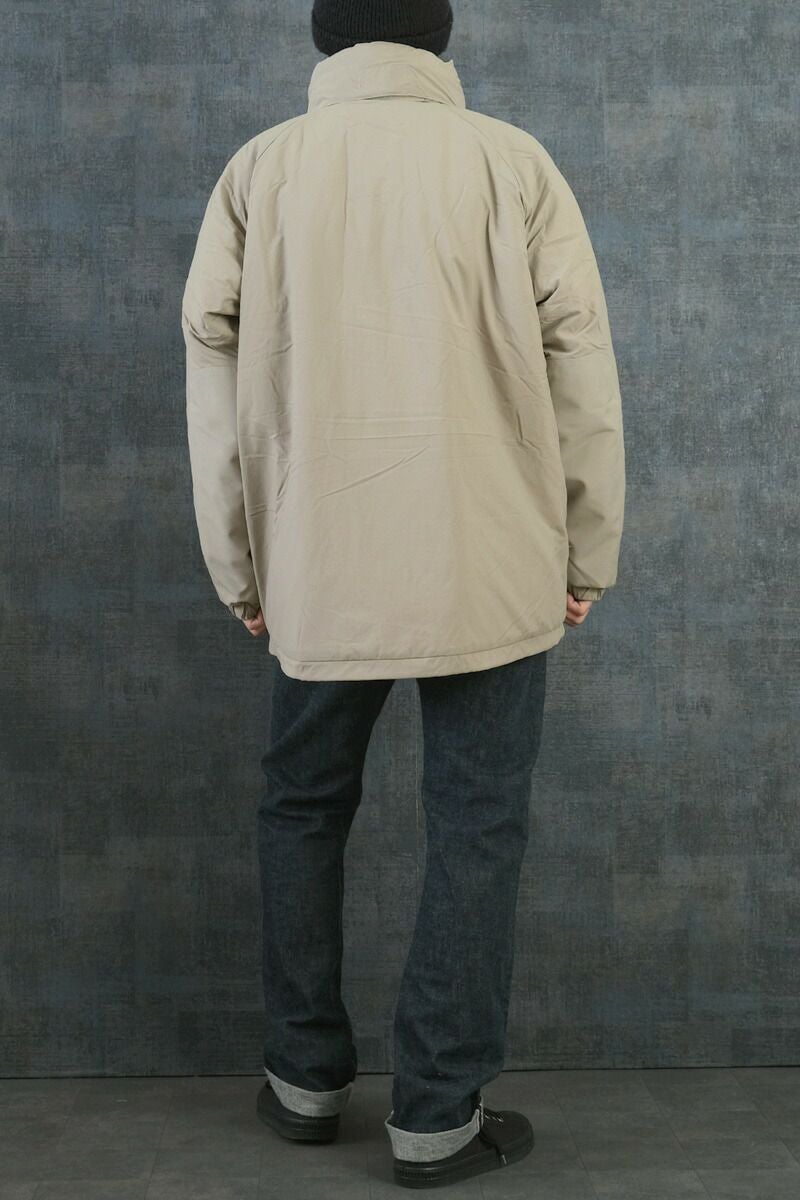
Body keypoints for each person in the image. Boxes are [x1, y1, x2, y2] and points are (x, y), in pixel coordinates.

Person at [181, 0, 625, 1188]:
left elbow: (211, 369)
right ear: (439, 39)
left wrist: (240, 566)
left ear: (325, 40)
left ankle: (301, 1078)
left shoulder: (262, 169)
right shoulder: (511, 163)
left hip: (316, 559)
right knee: (475, 822)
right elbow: (579, 361)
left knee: (300, 805)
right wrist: (584, 549)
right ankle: (435, 1117)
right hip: (491, 552)